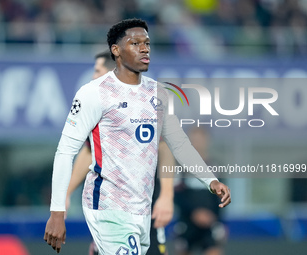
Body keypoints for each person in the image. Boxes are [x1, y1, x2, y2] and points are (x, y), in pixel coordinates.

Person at [44, 18, 231, 255]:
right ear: (116, 50)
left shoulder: (158, 93)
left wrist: (210, 180)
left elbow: (179, 144)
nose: (144, 48)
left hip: (142, 211)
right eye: (135, 43)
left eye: (147, 43)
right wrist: (57, 212)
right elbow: (65, 152)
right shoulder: (94, 93)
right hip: (108, 207)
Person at [65, 50, 176, 255]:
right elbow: (89, 153)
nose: (93, 76)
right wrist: (66, 191)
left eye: (97, 70)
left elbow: (165, 146)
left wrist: (167, 195)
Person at [174, 127, 227, 255]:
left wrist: (217, 219)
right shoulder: (181, 168)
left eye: (200, 140)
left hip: (210, 222)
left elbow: (223, 196)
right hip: (187, 221)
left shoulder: (216, 167)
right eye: (194, 140)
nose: (197, 143)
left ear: (207, 141)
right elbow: (177, 195)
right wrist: (194, 213)